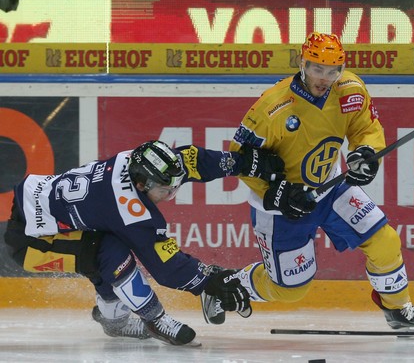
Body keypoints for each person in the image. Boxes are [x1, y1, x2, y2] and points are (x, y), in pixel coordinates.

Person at [202, 32, 414, 332]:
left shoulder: (349, 90)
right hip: (281, 207)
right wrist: (276, 193)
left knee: (385, 242)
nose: (324, 78)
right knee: (290, 289)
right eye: (317, 68)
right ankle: (225, 285)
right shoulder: (273, 108)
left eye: (333, 70)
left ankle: (399, 311)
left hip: (330, 188)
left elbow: (366, 128)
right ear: (301, 63)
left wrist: (366, 154)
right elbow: (239, 161)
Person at [4, 140, 284, 345]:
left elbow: (193, 160)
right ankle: (155, 320)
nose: (170, 193)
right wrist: (207, 282)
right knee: (108, 251)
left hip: (36, 207)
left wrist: (245, 163)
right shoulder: (129, 209)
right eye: (165, 190)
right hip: (32, 241)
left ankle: (113, 321)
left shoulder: (142, 163)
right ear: (141, 185)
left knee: (103, 249)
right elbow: (166, 267)